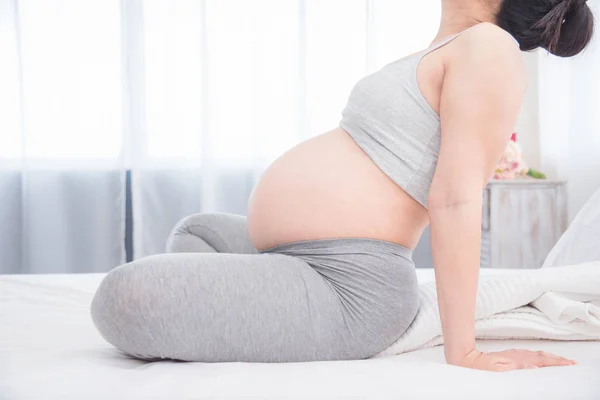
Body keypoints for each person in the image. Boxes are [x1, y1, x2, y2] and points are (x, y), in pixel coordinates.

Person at [91, 0, 595, 371]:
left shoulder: (491, 47)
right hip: (302, 256)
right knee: (198, 232)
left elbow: (457, 197)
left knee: (124, 298)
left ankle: (257, 307)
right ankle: (257, 301)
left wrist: (462, 349)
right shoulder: (446, 47)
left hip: (350, 285)